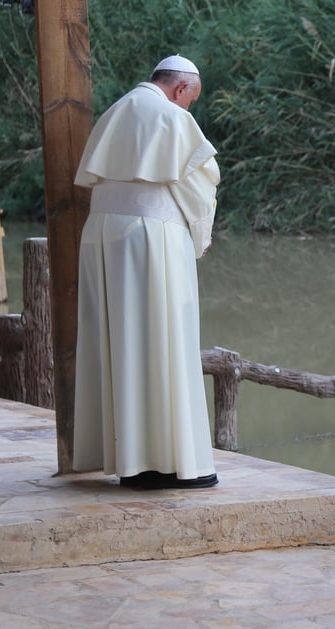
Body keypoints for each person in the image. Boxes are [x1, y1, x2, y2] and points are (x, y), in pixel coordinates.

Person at [71, 54, 221, 489]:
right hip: (150, 238)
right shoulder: (169, 117)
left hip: (102, 234)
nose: (186, 109)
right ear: (180, 90)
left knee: (121, 342)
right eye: (189, 100)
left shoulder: (116, 111)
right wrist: (201, 234)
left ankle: (132, 460)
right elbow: (200, 182)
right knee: (164, 339)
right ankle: (170, 463)